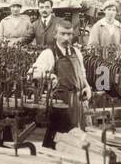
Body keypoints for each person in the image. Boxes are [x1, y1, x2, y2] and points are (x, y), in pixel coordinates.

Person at [27, 19, 93, 148]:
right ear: (55, 34)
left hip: (78, 100)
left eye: (69, 34)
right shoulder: (49, 53)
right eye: (62, 34)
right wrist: (49, 76)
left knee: (77, 135)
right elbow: (31, 74)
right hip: (61, 102)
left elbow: (82, 73)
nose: (66, 37)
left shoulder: (76, 52)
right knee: (58, 137)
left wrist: (87, 86)